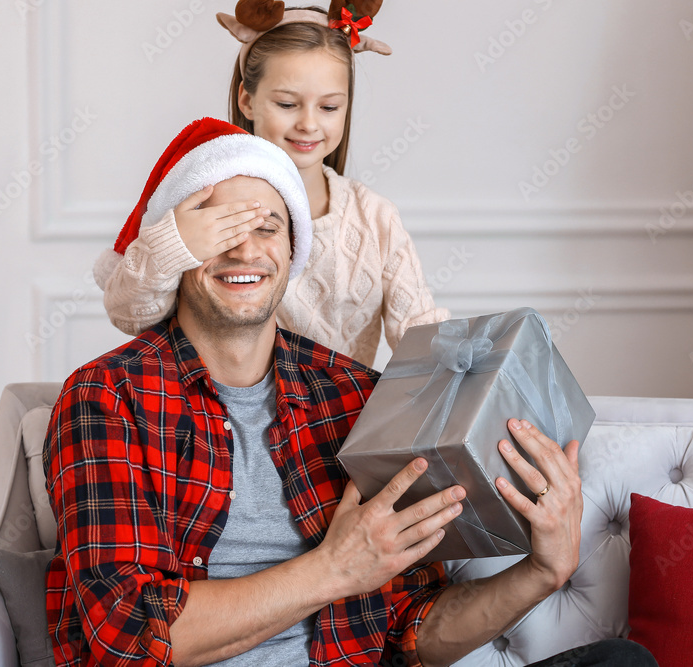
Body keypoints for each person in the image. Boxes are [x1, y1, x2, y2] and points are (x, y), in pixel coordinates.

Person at [45, 119, 656, 667]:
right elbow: (126, 636)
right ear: (177, 250)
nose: (246, 249)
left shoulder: (352, 395)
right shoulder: (105, 398)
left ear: (292, 250)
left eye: (267, 226)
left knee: (620, 664)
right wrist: (333, 569)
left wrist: (545, 570)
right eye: (218, 226)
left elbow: (413, 634)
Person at [93, 1, 448, 368]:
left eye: (328, 107)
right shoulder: (203, 199)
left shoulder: (374, 218)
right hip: (222, 419)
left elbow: (422, 339)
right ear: (247, 99)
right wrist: (175, 245)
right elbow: (128, 314)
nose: (309, 124)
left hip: (341, 418)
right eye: (287, 104)